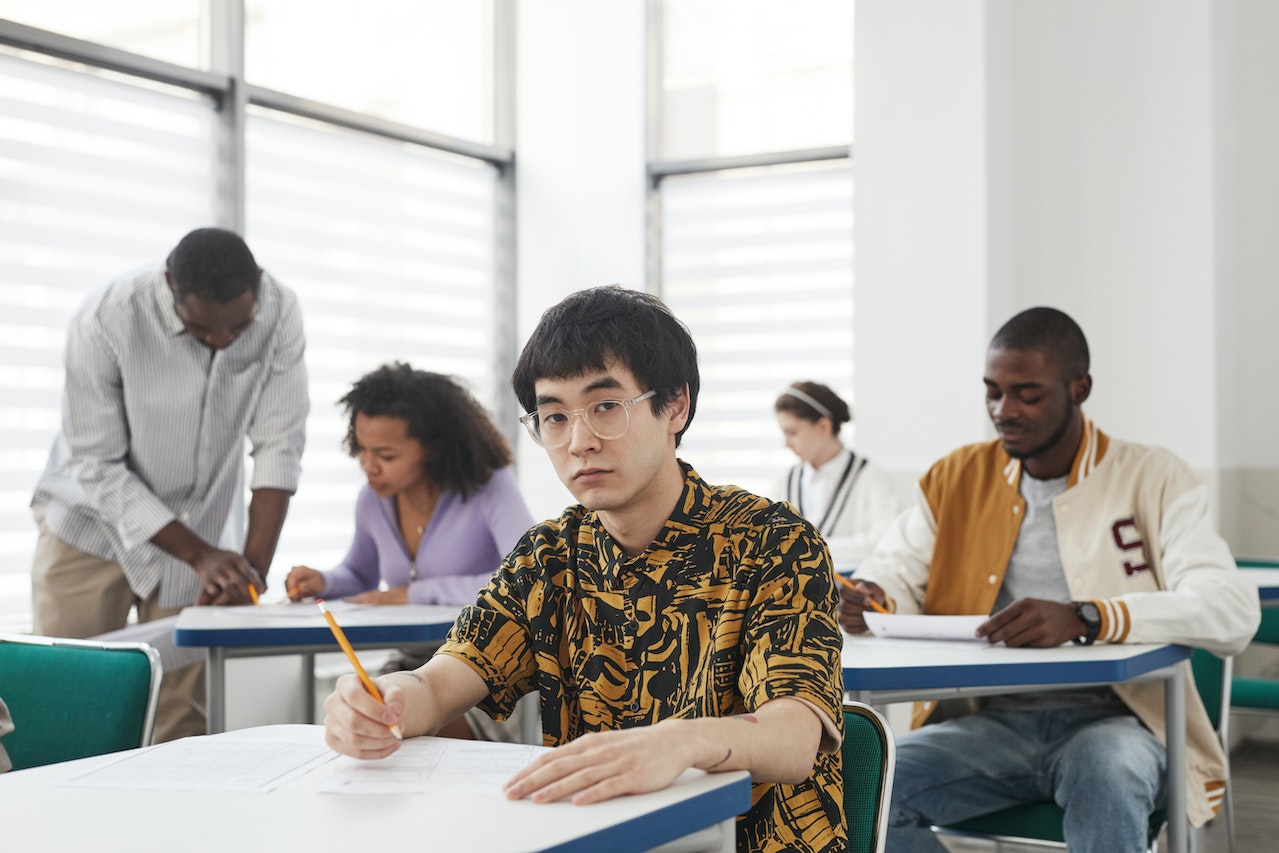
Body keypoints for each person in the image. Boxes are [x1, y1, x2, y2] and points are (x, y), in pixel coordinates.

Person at [323, 285, 847, 853]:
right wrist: (382, 701)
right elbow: (438, 683)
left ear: (675, 406)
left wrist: (676, 743)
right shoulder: (548, 556)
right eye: (553, 417)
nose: (579, 442)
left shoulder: (773, 541)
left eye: (605, 407)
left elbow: (793, 738)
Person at [838, 307, 1261, 853]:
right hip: (993, 723)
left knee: (1107, 772)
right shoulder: (958, 477)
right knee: (853, 783)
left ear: (1079, 388)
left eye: (1027, 394)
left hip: (1118, 722)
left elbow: (1231, 611)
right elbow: (895, 565)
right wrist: (875, 594)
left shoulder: (1153, 476)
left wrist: (1090, 616)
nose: (1003, 410)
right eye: (992, 392)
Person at [31, 227, 308, 742]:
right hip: (89, 529)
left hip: (201, 529)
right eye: (204, 331)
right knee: (68, 707)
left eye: (238, 328)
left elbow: (279, 445)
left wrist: (250, 571)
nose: (223, 340)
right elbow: (97, 464)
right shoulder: (106, 318)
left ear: (259, 288)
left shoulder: (280, 311)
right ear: (169, 288)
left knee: (183, 718)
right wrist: (202, 555)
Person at [284, 363, 537, 741]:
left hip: (485, 667)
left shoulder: (489, 486)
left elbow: (527, 577)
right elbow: (361, 575)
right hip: (412, 662)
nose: (369, 466)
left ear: (433, 448)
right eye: (362, 450)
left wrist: (414, 593)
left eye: (386, 455)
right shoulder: (373, 500)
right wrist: (324, 580)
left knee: (408, 736)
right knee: (368, 723)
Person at [773, 381, 902, 569]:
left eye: (792, 433)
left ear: (823, 426)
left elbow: (886, 542)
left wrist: (807, 546)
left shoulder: (871, 477)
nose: (786, 443)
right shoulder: (785, 482)